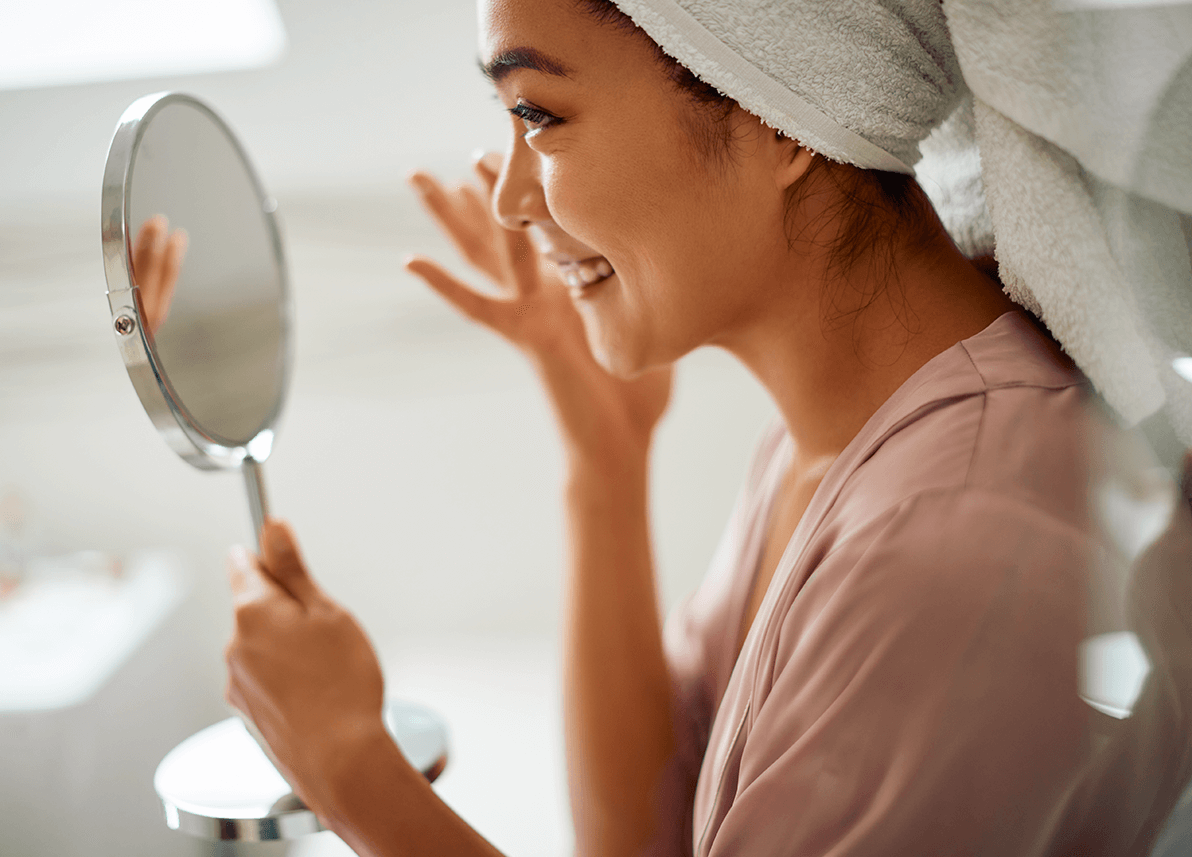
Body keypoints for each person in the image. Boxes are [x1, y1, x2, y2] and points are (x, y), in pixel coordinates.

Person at [221, 1, 1191, 855]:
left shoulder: (952, 533)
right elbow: (645, 838)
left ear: (777, 111)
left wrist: (354, 772)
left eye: (539, 115)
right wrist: (604, 459)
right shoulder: (830, 439)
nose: (513, 200)